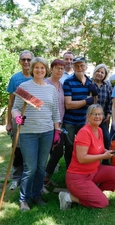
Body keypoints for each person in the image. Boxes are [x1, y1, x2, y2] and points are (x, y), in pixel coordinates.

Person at [11, 57, 61, 211]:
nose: (40, 70)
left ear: (46, 70)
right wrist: (17, 117)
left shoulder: (51, 89)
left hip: (46, 132)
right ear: (32, 69)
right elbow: (15, 108)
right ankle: (24, 200)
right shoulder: (24, 87)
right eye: (37, 67)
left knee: (41, 167)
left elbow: (55, 111)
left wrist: (57, 130)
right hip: (28, 133)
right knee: (30, 167)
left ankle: (37, 195)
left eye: (42, 68)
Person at [58, 104, 115, 209]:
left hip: (93, 172)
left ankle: (95, 194)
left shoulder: (99, 130)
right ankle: (68, 197)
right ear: (88, 116)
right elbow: (81, 158)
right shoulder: (84, 132)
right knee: (103, 203)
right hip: (78, 177)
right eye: (94, 114)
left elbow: (100, 150)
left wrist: (112, 152)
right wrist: (103, 156)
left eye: (100, 114)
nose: (98, 116)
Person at [62, 56, 99, 171]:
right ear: (73, 67)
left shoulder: (90, 82)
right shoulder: (68, 82)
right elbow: (68, 104)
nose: (79, 68)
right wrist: (85, 101)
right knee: (69, 147)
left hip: (84, 121)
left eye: (82, 65)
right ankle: (70, 170)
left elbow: (94, 103)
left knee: (86, 146)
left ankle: (84, 169)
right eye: (76, 66)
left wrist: (95, 94)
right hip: (70, 121)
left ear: (86, 67)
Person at [5, 50, 34, 190]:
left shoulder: (39, 77)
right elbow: (10, 102)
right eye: (23, 59)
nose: (26, 62)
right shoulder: (15, 78)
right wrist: (9, 122)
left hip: (34, 120)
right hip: (18, 119)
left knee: (32, 149)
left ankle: (30, 177)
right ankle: (16, 178)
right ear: (20, 62)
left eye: (29, 59)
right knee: (17, 148)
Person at [43, 59, 66, 192]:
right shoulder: (45, 84)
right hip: (47, 125)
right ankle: (40, 183)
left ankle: (46, 179)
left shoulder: (61, 85)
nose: (59, 71)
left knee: (57, 153)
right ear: (51, 69)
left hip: (59, 125)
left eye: (62, 69)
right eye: (57, 68)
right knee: (44, 154)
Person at [92, 64, 113, 165]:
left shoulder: (107, 85)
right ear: (95, 71)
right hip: (90, 119)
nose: (100, 74)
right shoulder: (89, 83)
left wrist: (108, 114)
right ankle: (91, 162)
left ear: (105, 75)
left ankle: (105, 162)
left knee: (106, 138)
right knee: (91, 140)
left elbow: (110, 101)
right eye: (98, 71)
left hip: (102, 119)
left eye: (102, 72)